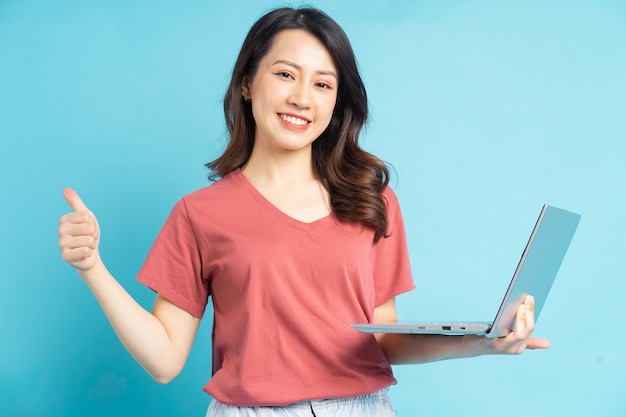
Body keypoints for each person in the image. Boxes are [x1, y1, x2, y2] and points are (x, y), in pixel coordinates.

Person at [58, 7, 550, 417]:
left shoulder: (372, 201)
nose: (301, 98)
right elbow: (165, 360)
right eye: (286, 74)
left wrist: (482, 342)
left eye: (323, 84)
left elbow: (383, 341)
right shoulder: (198, 215)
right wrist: (92, 269)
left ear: (338, 103)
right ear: (248, 83)